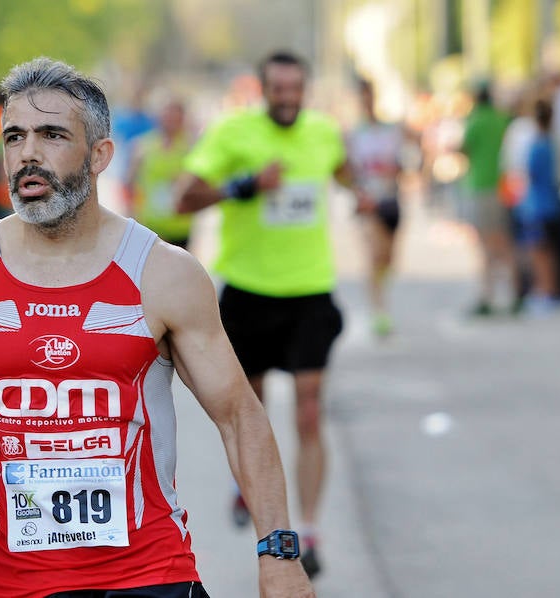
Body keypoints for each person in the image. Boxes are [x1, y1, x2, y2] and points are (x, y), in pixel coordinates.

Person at [0, 56, 315, 598]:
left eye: (52, 135)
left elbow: (239, 417)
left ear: (99, 155)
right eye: (14, 136)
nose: (28, 153)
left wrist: (278, 554)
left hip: (149, 575)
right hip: (13, 584)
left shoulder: (162, 273)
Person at [174, 50, 346, 579]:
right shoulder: (232, 134)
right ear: (264, 89)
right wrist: (243, 186)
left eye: (297, 89)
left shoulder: (323, 132)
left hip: (311, 290)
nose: (289, 99)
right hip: (249, 291)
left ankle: (308, 530)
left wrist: (368, 197)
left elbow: (344, 170)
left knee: (310, 411)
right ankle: (244, 490)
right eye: (280, 90)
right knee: (251, 412)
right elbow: (183, 198)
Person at [345, 78, 404, 337]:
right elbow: (346, 170)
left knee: (389, 258)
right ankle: (379, 310)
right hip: (367, 202)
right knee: (374, 255)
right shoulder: (352, 134)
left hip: (391, 199)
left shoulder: (391, 130)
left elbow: (403, 165)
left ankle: (381, 296)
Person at [459, 82, 517, 316]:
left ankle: (487, 296)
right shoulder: (500, 118)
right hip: (500, 184)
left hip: (481, 185)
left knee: (486, 245)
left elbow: (465, 148)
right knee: (503, 242)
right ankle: (512, 294)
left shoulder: (475, 120)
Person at [518, 99, 560, 315]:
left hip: (538, 205)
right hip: (550, 202)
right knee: (549, 252)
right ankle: (551, 291)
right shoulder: (552, 142)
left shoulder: (538, 145)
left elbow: (530, 173)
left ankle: (546, 292)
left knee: (540, 252)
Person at [125, 96, 196, 249]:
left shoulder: (192, 147)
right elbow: (128, 183)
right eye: (167, 115)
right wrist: (131, 214)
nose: (170, 120)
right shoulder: (142, 146)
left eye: (175, 116)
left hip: (180, 226)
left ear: (183, 118)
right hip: (149, 225)